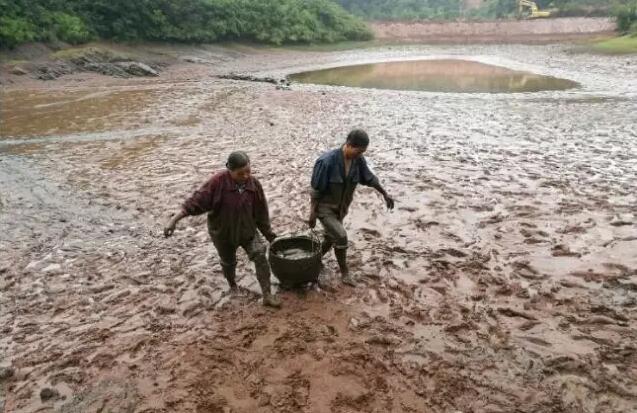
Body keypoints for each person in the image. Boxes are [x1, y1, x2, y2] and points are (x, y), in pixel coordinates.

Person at [164, 151, 281, 308]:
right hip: (222, 233)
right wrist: (174, 220)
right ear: (229, 170)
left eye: (248, 171)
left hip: (248, 231)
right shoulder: (217, 183)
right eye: (240, 173)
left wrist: (270, 236)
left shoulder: (254, 185)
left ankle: (267, 295)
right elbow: (196, 202)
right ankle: (233, 285)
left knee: (260, 256)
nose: (246, 176)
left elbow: (261, 213)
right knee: (228, 262)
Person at [308, 129, 395, 286]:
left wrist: (385, 193)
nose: (360, 155)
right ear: (348, 145)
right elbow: (316, 190)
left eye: (363, 152)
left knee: (330, 237)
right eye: (359, 151)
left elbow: (369, 178)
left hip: (341, 208)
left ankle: (313, 261)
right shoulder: (326, 162)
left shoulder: (358, 160)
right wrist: (312, 214)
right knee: (341, 236)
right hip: (325, 208)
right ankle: (345, 273)